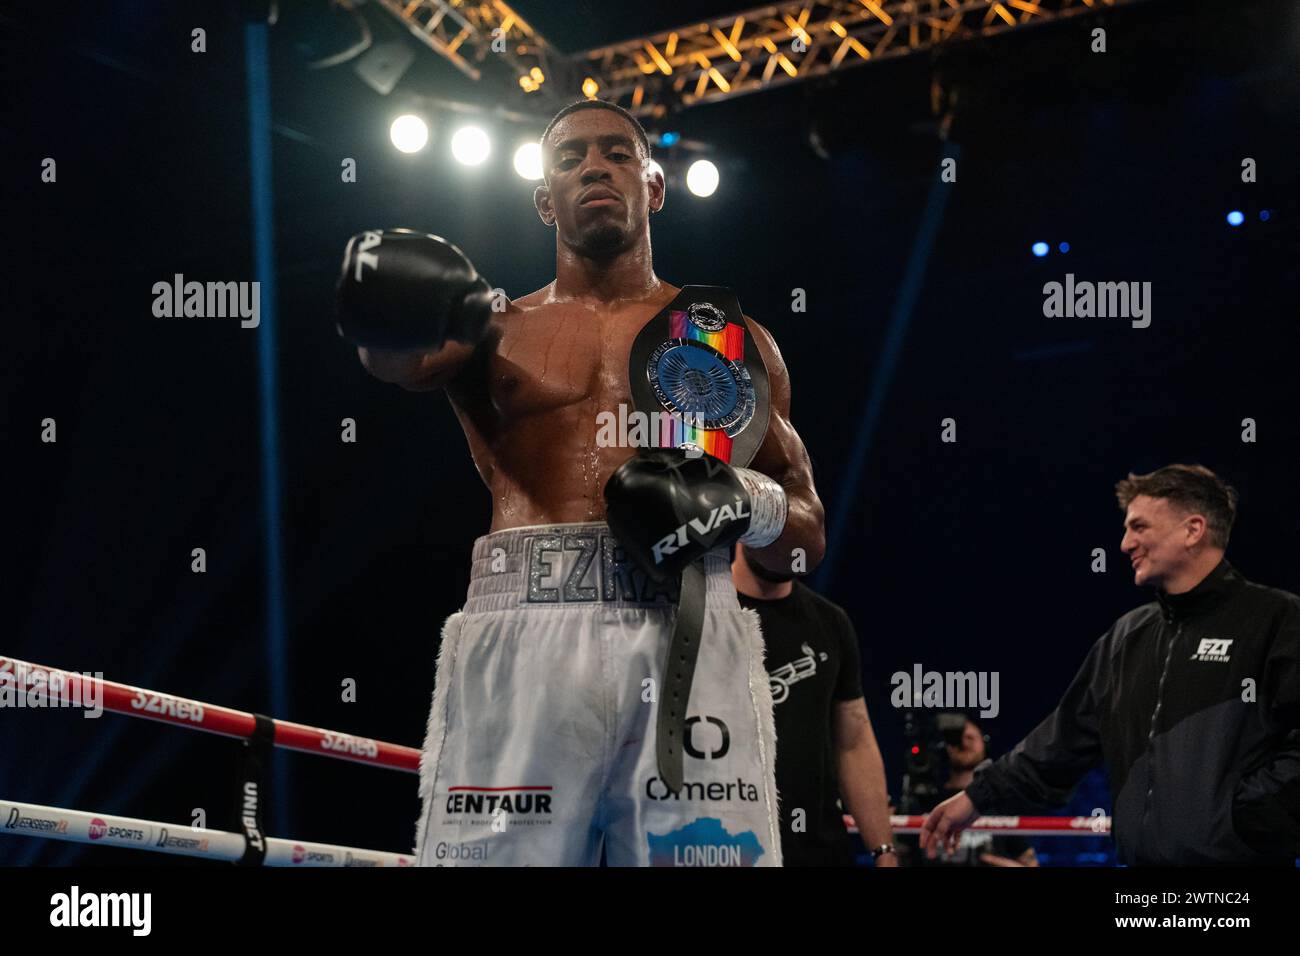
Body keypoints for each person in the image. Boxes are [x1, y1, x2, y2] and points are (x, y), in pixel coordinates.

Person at [336, 99, 827, 866]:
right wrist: (374, 309)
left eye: (617, 154)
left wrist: (744, 501)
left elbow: (802, 538)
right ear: (543, 201)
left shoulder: (722, 338)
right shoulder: (489, 328)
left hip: (688, 626)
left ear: (655, 187)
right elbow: (396, 362)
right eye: (569, 159)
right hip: (525, 630)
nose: (594, 167)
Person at [921, 464, 1300, 865]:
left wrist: (1242, 821)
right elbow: (1059, 744)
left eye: (1139, 527)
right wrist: (977, 797)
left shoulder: (1278, 620)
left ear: (1193, 530)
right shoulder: (1125, 637)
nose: (1124, 544)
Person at [731, 544, 896, 866]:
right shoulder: (701, 617)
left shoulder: (830, 622)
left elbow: (855, 742)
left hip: (817, 851)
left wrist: (884, 851)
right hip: (726, 846)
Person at [921, 717, 1036, 867]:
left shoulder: (1001, 803)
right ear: (945, 746)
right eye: (958, 738)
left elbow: (1031, 863)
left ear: (984, 742)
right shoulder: (925, 801)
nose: (964, 743)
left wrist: (1002, 864)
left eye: (970, 737)